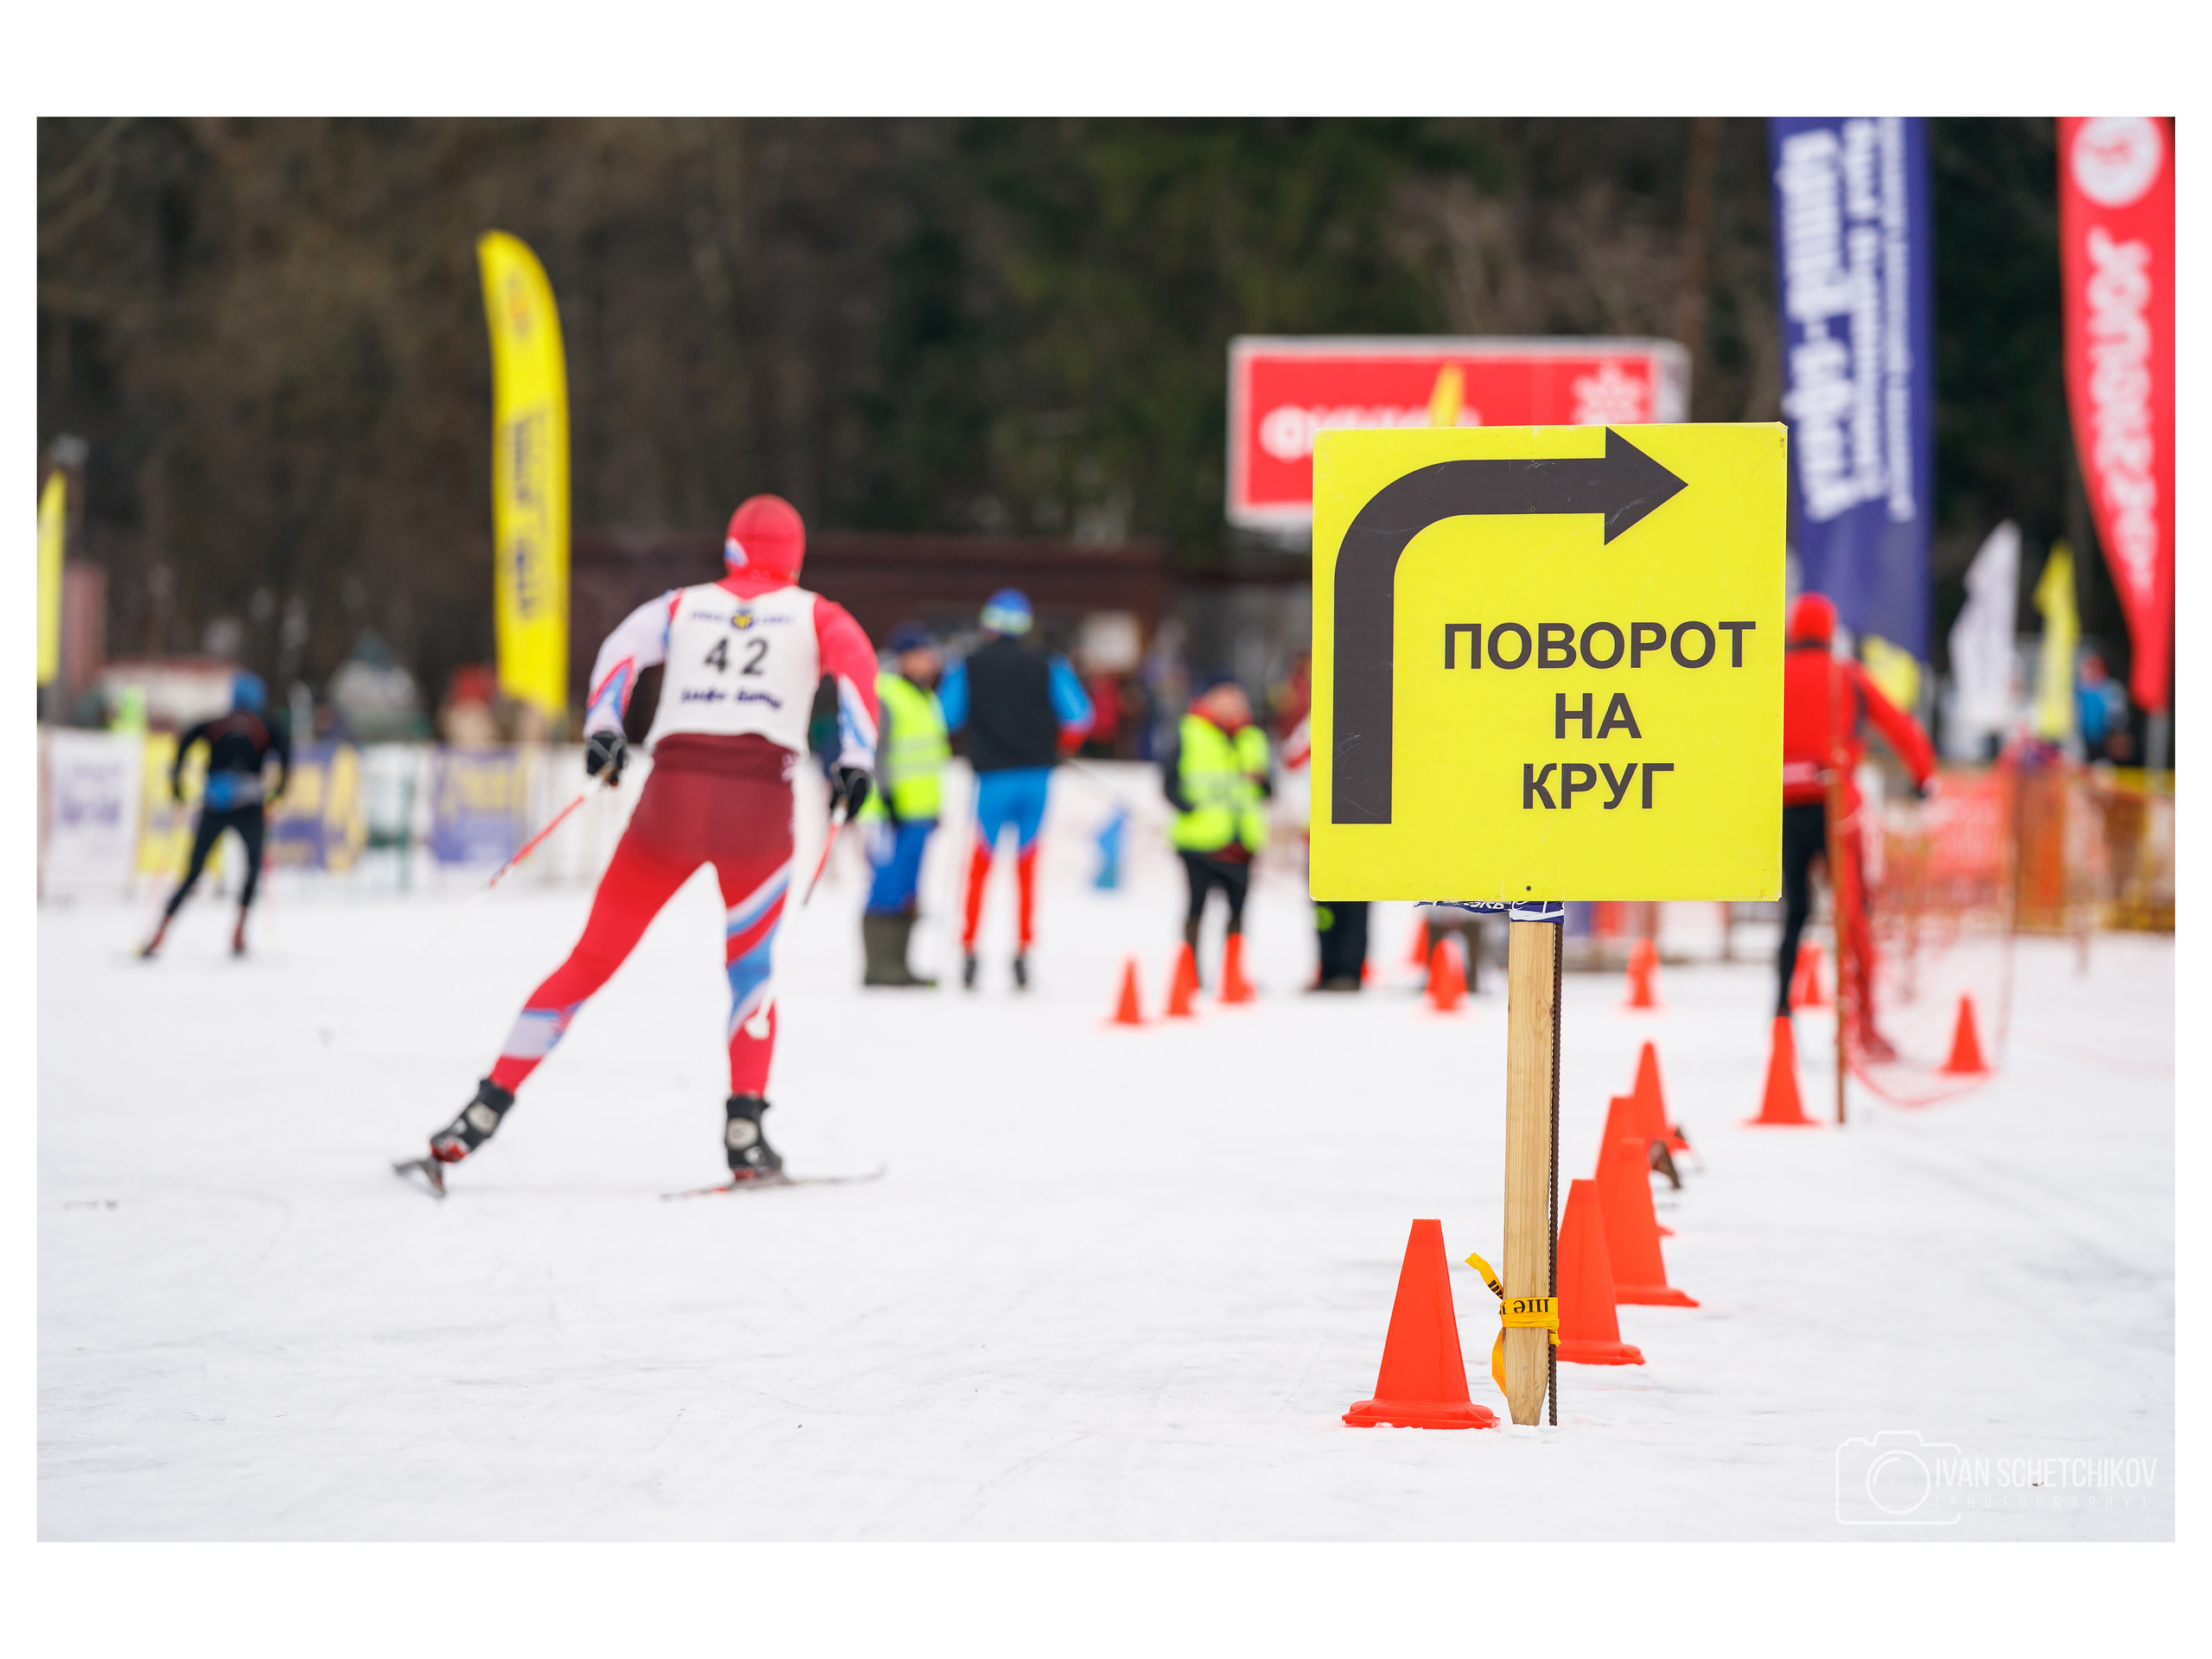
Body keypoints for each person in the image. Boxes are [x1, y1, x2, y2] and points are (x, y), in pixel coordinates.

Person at [408, 494, 879, 1192]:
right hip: (759, 807)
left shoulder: (682, 603)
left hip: (673, 799)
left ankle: (479, 1115)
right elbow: (859, 674)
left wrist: (604, 729)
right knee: (750, 972)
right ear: (796, 553)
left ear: (732, 550)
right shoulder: (819, 613)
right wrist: (856, 764)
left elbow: (620, 650)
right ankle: (745, 1132)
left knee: (590, 959)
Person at [1778, 592, 1935, 1058]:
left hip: (1782, 811)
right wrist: (1925, 778)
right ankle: (1863, 1023)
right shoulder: (1847, 677)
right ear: (1830, 631)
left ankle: (1780, 1020)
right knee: (1853, 917)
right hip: (1835, 810)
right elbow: (1901, 727)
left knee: (1794, 916)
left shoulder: (1772, 677)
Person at [939, 589, 1092, 989]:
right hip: (1036, 777)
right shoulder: (1050, 663)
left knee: (980, 867)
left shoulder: (967, 665)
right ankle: (1022, 954)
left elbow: (946, 716)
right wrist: (1061, 742)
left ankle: (970, 952)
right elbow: (1080, 715)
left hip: (991, 778)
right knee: (1027, 868)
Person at [141, 672, 290, 959]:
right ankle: (239, 933)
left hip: (215, 806)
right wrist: (278, 794)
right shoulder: (266, 726)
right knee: (252, 870)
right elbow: (286, 754)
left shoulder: (215, 724)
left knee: (192, 874)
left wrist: (178, 790)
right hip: (250, 807)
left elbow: (184, 742)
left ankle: (159, 933)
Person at [1161, 671, 1271, 989]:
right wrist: (1187, 806)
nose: (1232, 702)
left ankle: (1233, 975)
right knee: (1197, 906)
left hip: (1241, 840)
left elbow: (1268, 787)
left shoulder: (1253, 737)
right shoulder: (1189, 731)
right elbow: (1169, 782)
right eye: (1225, 694)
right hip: (1199, 841)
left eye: (1236, 695)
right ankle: (1190, 973)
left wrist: (1261, 782)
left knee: (1238, 910)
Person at [859, 621, 949, 987]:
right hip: (890, 811)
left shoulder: (925, 696)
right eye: (919, 656)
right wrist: (887, 797)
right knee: (887, 885)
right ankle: (879, 964)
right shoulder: (887, 693)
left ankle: (901, 963)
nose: (926, 662)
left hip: (920, 810)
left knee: (910, 887)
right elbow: (877, 750)